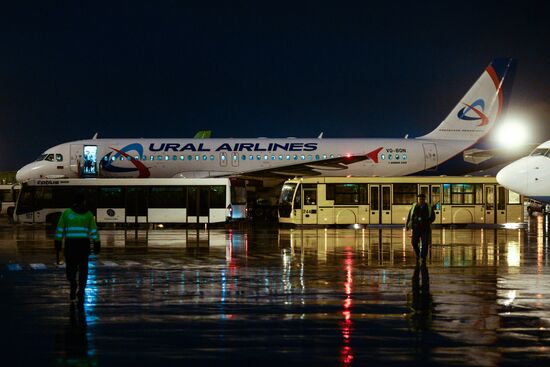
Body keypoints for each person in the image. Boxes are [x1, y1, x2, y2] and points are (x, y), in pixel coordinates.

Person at [54, 193, 101, 305]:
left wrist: (58, 243)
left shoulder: (66, 213)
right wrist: (97, 243)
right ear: (83, 201)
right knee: (83, 270)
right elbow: (94, 231)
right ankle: (81, 291)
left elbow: (60, 229)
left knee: (71, 267)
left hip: (70, 245)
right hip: (84, 245)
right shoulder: (88, 214)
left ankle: (73, 284)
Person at [406, 193, 435, 262]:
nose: (421, 200)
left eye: (422, 199)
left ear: (425, 199)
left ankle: (423, 256)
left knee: (425, 243)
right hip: (416, 228)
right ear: (418, 200)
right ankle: (418, 253)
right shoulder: (414, 206)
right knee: (414, 242)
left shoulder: (428, 207)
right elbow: (410, 216)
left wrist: (428, 221)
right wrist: (407, 225)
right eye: (420, 199)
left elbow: (433, 217)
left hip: (425, 228)